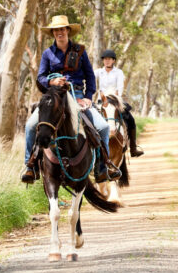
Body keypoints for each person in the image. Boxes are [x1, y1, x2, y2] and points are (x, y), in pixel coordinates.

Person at [20, 15, 121, 184]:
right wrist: (52, 81)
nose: (60, 32)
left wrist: (89, 98)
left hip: (77, 96)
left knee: (103, 127)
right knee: (30, 126)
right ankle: (30, 166)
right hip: (53, 97)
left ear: (68, 31)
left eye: (62, 29)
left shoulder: (80, 51)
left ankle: (103, 167)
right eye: (56, 30)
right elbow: (40, 78)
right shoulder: (47, 54)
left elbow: (90, 77)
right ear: (53, 33)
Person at [95, 49, 144, 157]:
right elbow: (92, 82)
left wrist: (116, 97)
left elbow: (120, 87)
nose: (107, 61)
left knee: (131, 119)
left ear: (113, 61)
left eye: (109, 59)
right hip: (101, 101)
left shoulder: (118, 72)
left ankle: (133, 148)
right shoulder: (98, 72)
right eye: (105, 59)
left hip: (115, 100)